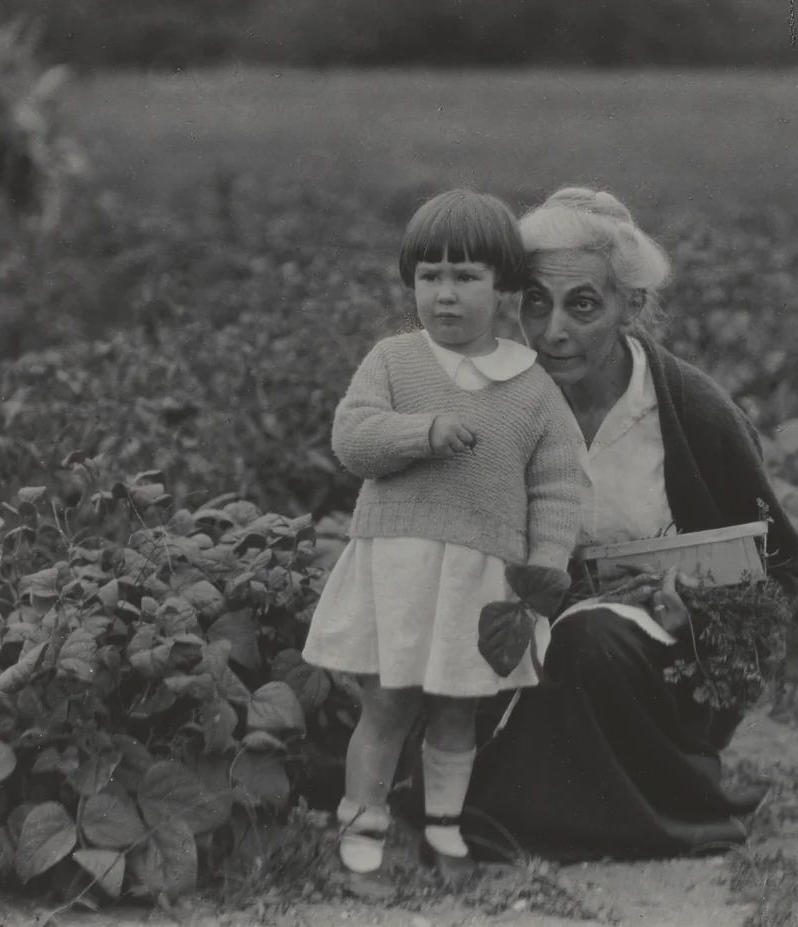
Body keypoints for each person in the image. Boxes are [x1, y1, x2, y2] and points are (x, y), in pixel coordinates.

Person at [391, 186, 798, 863]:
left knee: (590, 638)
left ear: (630, 306)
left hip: (651, 665)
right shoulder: (495, 402)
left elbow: (777, 567)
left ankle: (586, 816)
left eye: (583, 305)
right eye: (535, 302)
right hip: (518, 647)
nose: (553, 330)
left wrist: (700, 619)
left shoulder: (693, 410)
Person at [302, 189, 585, 882]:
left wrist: (545, 566)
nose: (445, 294)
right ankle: (362, 827)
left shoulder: (533, 388)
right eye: (429, 276)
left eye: (466, 276)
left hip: (479, 578)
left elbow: (557, 486)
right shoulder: (395, 361)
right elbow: (352, 438)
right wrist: (422, 433)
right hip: (398, 566)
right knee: (386, 704)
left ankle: (445, 830)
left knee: (460, 708)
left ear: (505, 286)